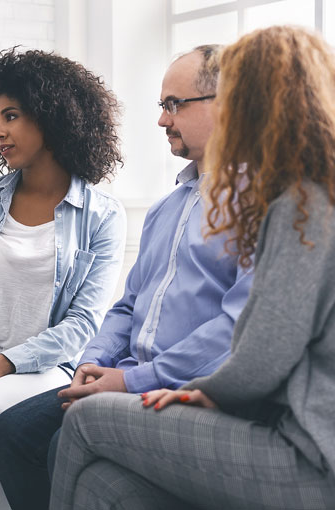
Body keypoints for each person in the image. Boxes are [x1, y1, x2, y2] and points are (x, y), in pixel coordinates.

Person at [51, 25, 335, 510]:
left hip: (311, 455)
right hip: (284, 430)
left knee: (82, 420)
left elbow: (265, 345)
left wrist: (204, 391)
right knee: (105, 487)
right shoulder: (304, 194)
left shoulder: (306, 203)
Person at [0, 44, 255, 510]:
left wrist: (129, 383)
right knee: (10, 432)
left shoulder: (258, 206)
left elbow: (236, 330)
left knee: (56, 446)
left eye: (174, 105)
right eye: (161, 106)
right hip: (124, 376)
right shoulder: (165, 209)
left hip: (181, 389)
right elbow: (129, 305)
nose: (161, 120)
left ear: (225, 105)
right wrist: (93, 362)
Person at [0, 48, 128, 510]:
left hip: (44, 365)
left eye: (10, 116)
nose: (0, 133)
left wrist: (7, 363)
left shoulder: (104, 216)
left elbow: (84, 322)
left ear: (51, 116)